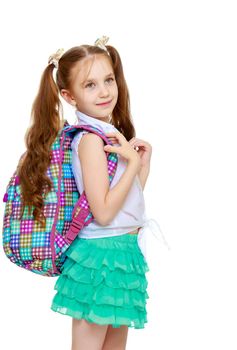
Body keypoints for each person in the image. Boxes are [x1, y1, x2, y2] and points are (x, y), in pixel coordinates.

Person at [19, 35, 169, 350]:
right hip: (99, 259)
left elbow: (125, 202)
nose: (104, 91)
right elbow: (102, 212)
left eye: (108, 80)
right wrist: (129, 165)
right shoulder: (89, 140)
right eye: (90, 85)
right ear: (68, 95)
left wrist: (141, 166)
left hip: (123, 256)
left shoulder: (108, 134)